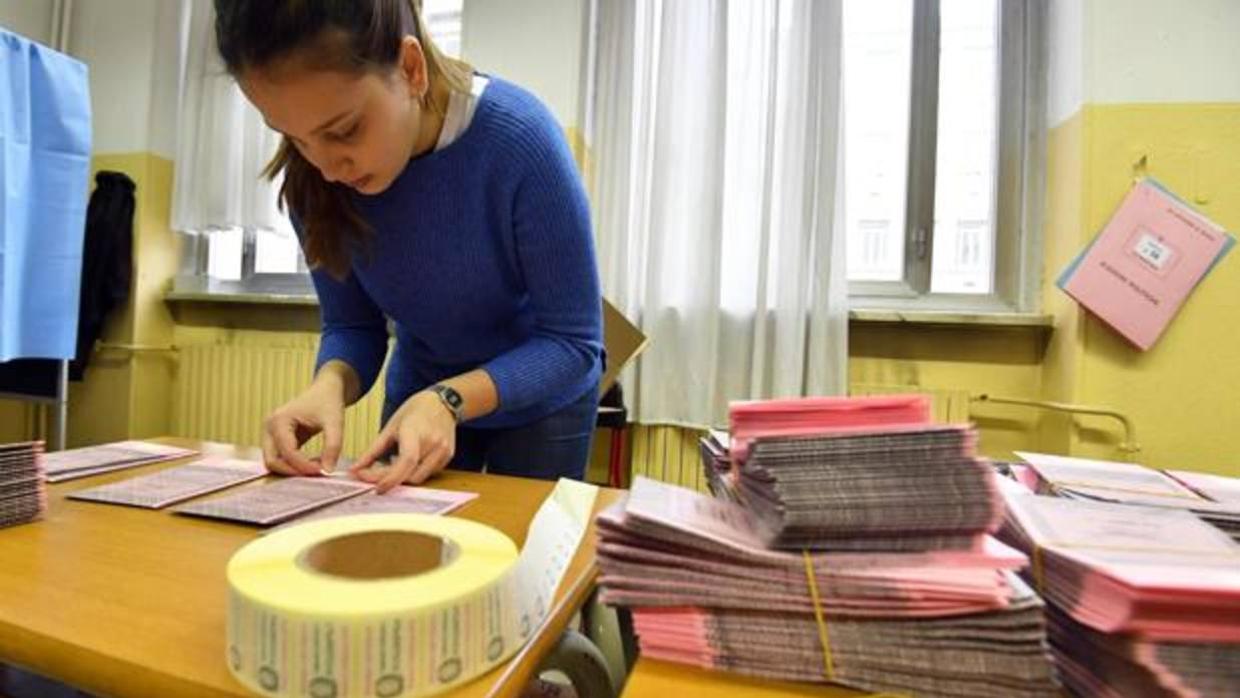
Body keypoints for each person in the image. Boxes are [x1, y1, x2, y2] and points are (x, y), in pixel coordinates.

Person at [213, 0, 604, 491]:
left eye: (344, 130)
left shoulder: (521, 141)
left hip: (540, 395)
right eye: (295, 138)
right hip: (421, 389)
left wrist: (449, 400)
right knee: (400, 552)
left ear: (411, 68)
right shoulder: (312, 181)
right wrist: (327, 386)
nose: (328, 167)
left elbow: (573, 343)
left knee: (522, 557)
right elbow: (353, 324)